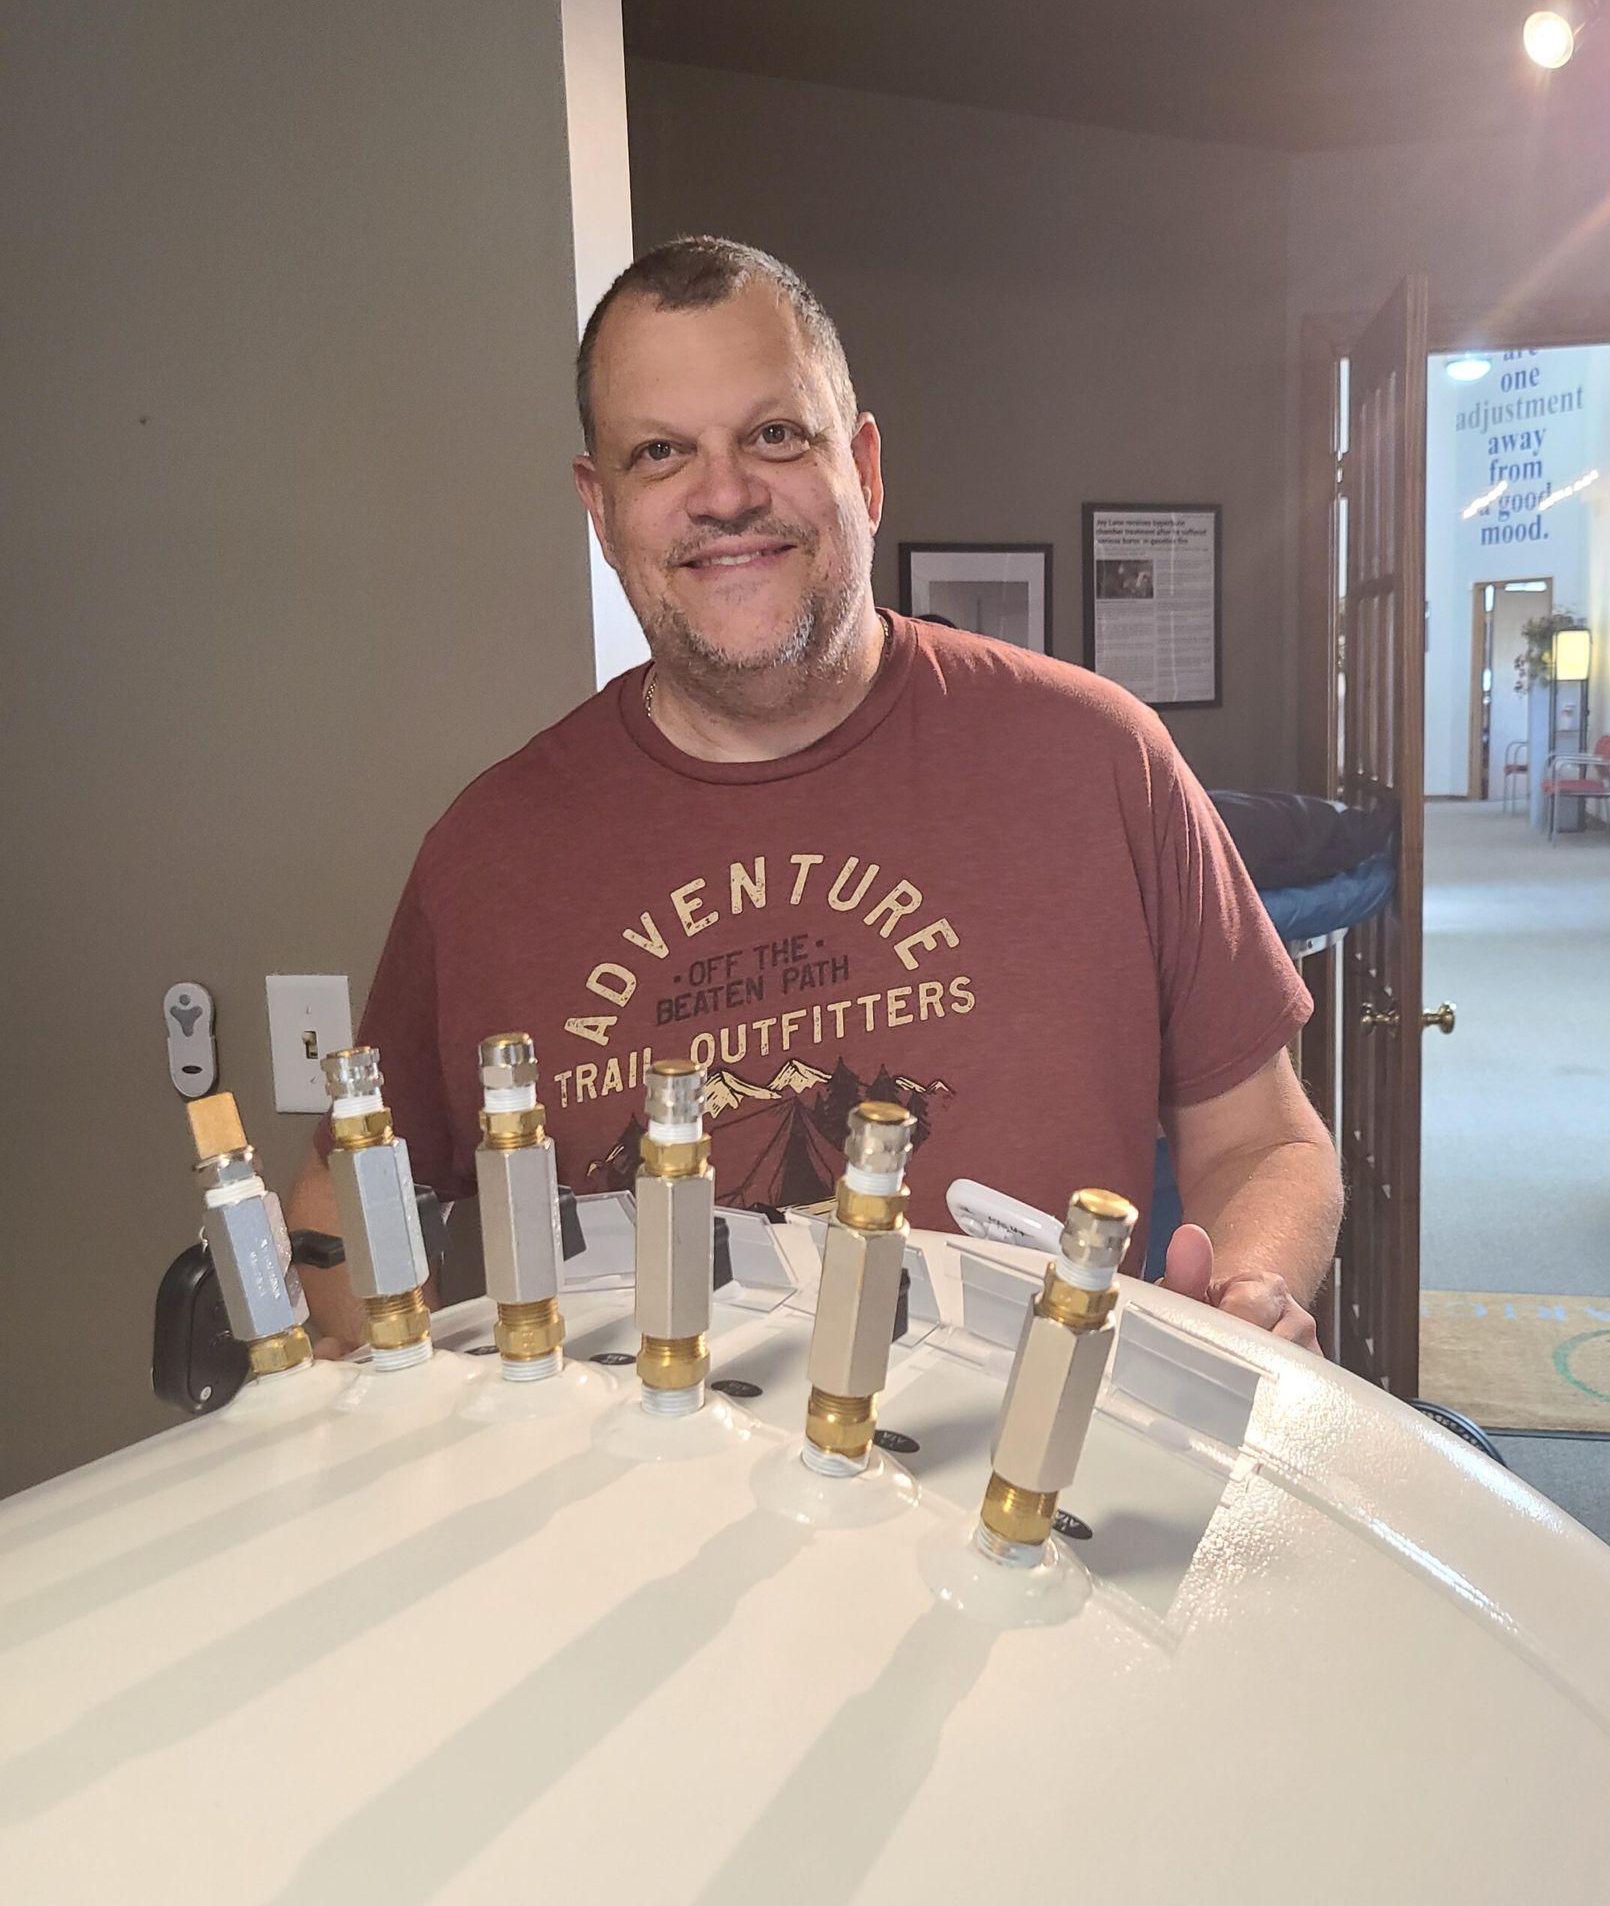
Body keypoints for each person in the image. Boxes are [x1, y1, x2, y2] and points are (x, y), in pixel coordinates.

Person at [285, 236, 1341, 1352]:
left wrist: (1246, 1300)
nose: (725, 494)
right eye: (660, 453)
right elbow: (338, 1206)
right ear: (601, 510)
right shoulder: (485, 859)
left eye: (775, 435)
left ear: (865, 470)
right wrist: (395, 1389)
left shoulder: (1099, 757)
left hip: (1045, 1450)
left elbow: (1265, 1142)